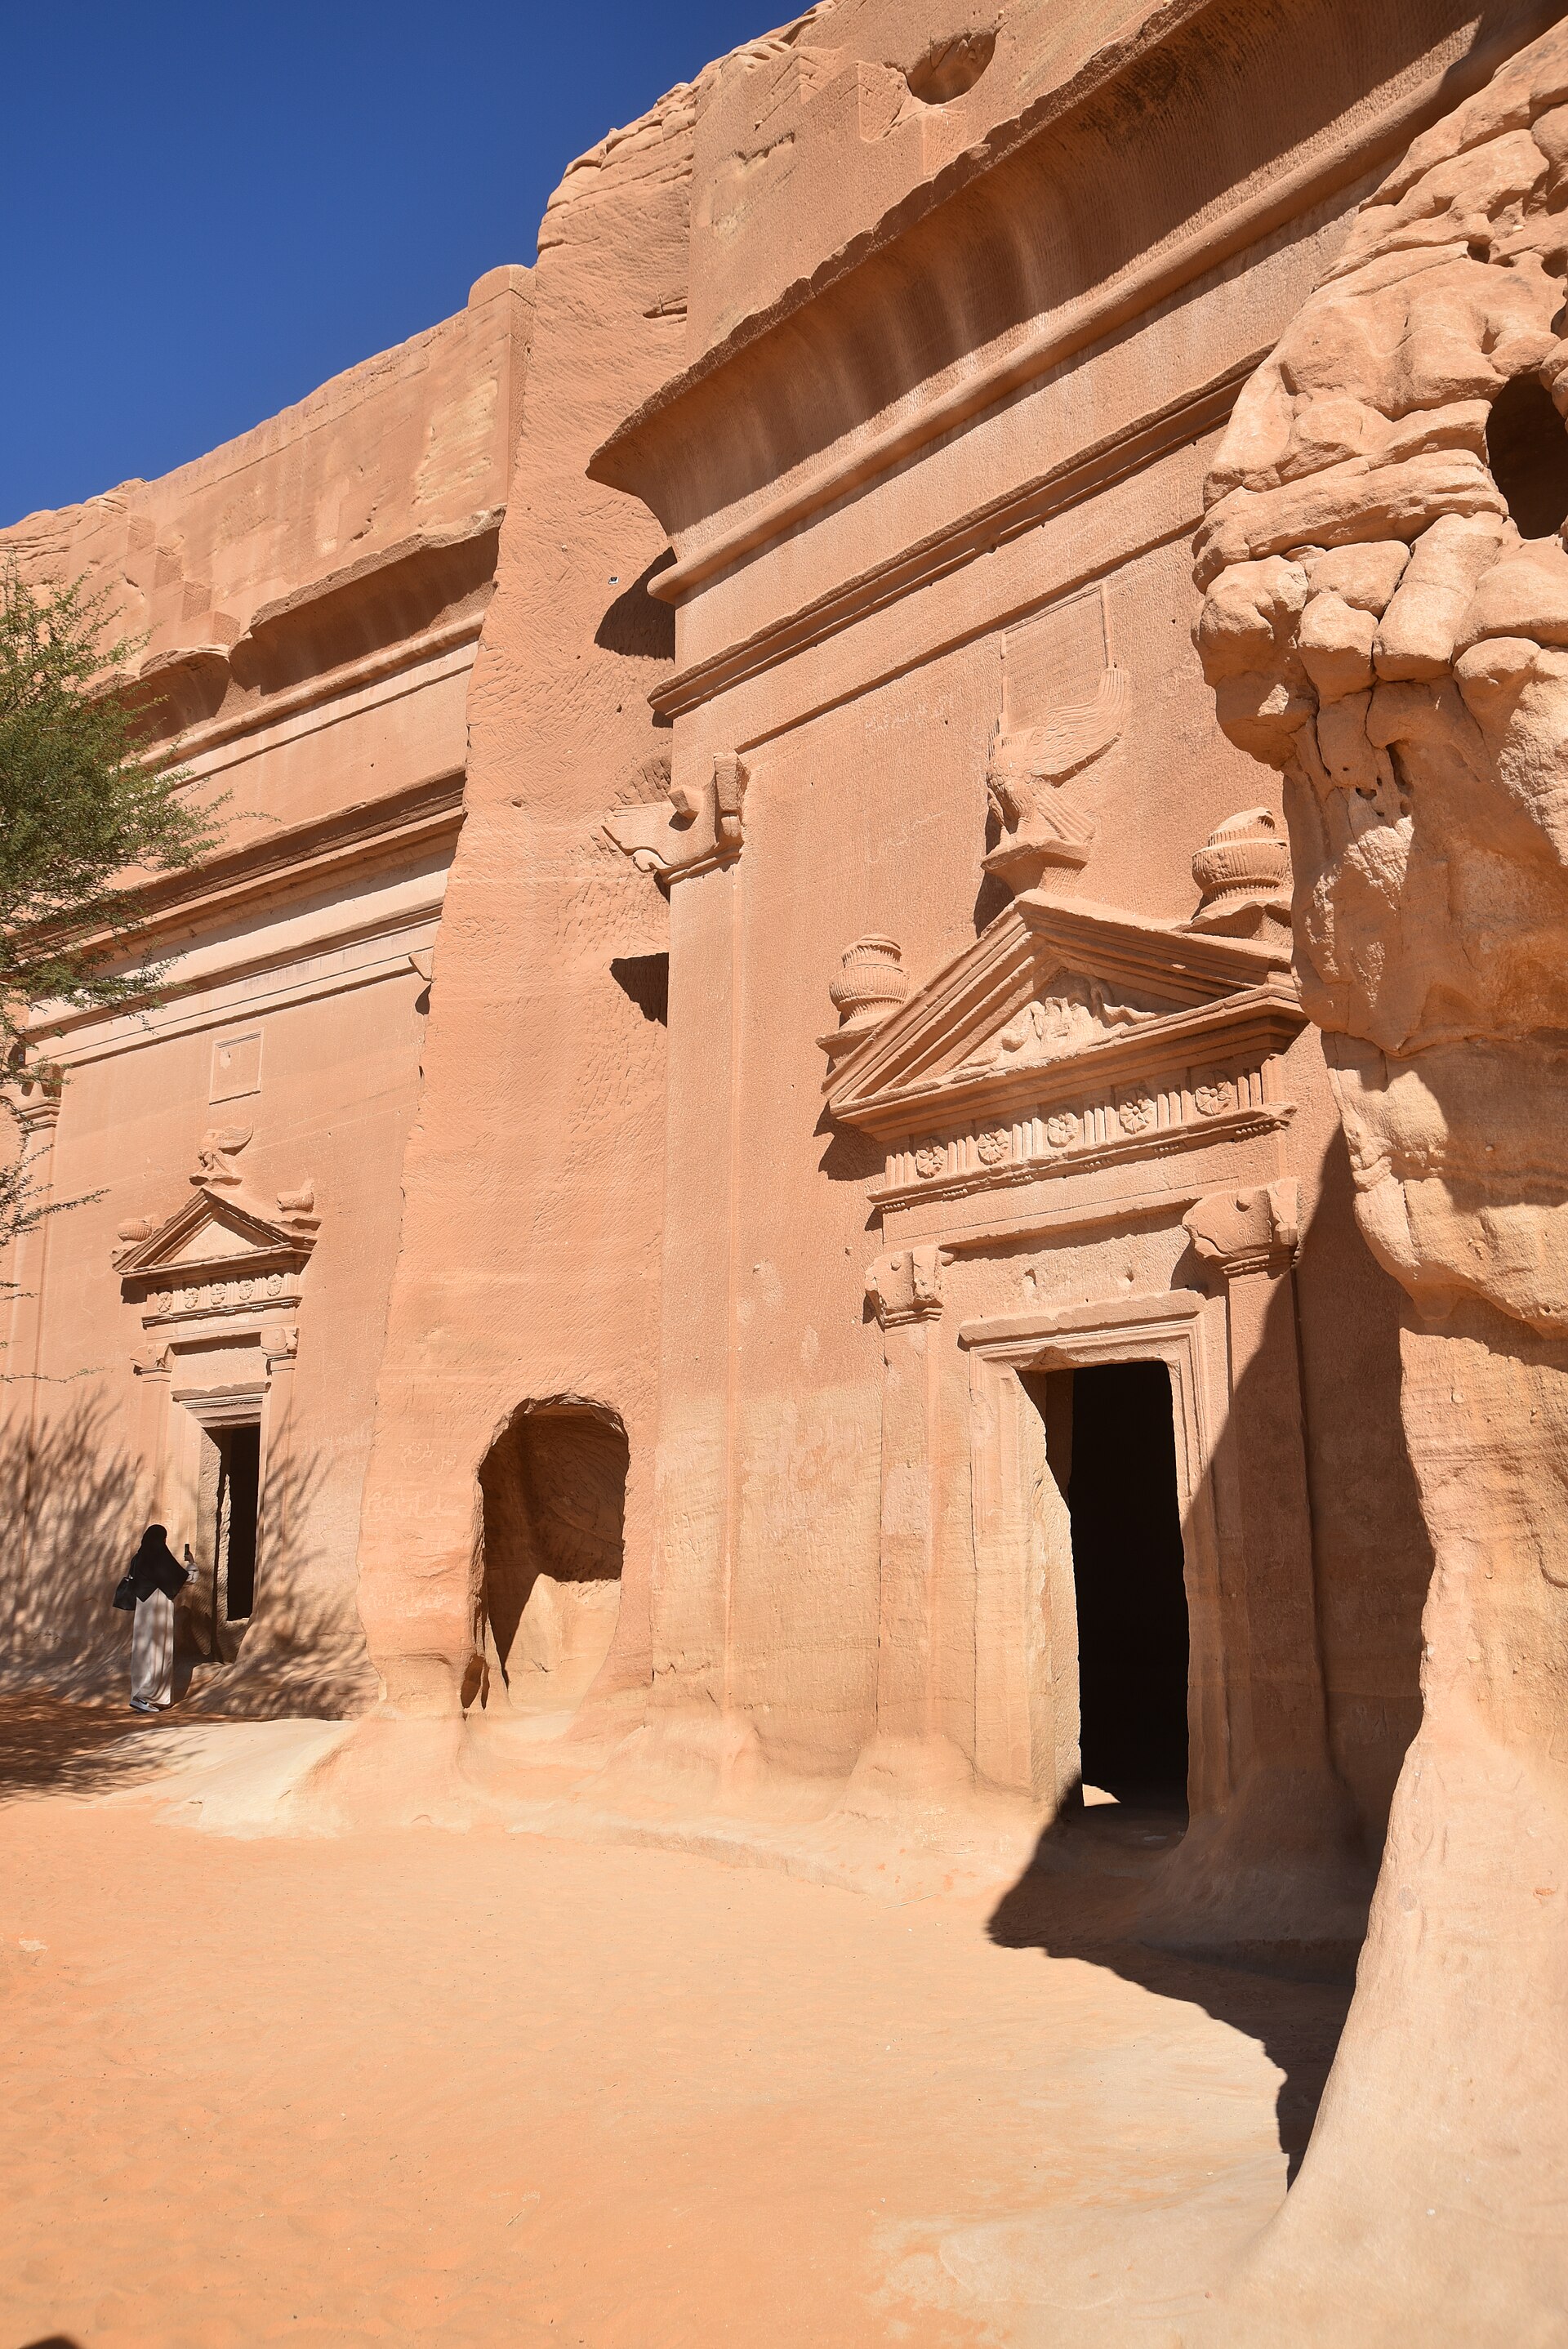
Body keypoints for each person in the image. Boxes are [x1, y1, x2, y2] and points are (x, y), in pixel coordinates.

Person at [122, 1525, 189, 1714]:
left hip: (143, 1608)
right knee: (158, 1649)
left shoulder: (139, 1557)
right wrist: (192, 1567)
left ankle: (140, 1694)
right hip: (158, 1607)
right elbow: (180, 1579)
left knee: (143, 1651)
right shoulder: (159, 1557)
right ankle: (146, 1696)